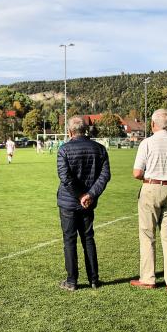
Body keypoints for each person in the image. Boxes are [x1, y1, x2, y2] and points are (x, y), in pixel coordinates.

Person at [131, 109, 167, 291]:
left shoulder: (147, 143)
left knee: (148, 235)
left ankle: (148, 278)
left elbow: (137, 173)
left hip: (152, 187)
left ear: (152, 124)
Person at [57, 116, 110, 291]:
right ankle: (94, 279)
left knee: (69, 240)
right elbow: (105, 176)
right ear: (85, 130)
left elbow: (65, 177)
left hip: (69, 202)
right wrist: (90, 195)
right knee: (88, 238)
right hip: (88, 202)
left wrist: (81, 195)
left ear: (70, 131)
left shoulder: (63, 150)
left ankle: (72, 281)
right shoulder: (100, 149)